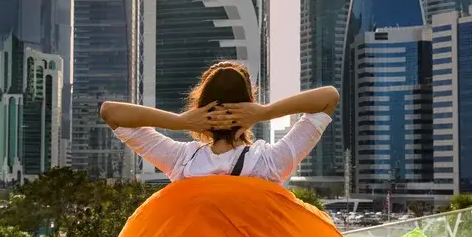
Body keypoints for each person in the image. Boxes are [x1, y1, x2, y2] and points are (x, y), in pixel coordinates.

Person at [99, 61, 338, 184]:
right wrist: (265, 112)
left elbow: (111, 112)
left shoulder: (182, 160)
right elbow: (329, 98)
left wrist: (180, 122)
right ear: (250, 104)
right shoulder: (270, 162)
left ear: (200, 106)